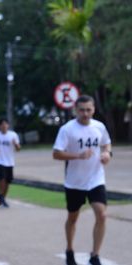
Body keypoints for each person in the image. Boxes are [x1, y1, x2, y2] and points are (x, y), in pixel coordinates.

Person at [53, 95, 112, 265]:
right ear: (75, 110)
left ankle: (95, 255)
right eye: (82, 110)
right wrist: (78, 155)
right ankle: (70, 250)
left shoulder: (99, 126)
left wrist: (107, 153)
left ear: (93, 109)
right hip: (74, 182)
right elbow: (56, 153)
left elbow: (106, 143)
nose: (85, 114)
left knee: (102, 215)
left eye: (89, 110)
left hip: (96, 179)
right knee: (73, 218)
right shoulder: (67, 129)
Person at [0, 118, 21, 207]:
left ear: (8, 125)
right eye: (2, 124)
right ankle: (1, 197)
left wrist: (16, 144)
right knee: (2, 178)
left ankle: (2, 197)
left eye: (6, 124)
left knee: (8, 181)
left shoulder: (13, 135)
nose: (4, 126)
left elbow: (18, 149)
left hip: (10, 162)